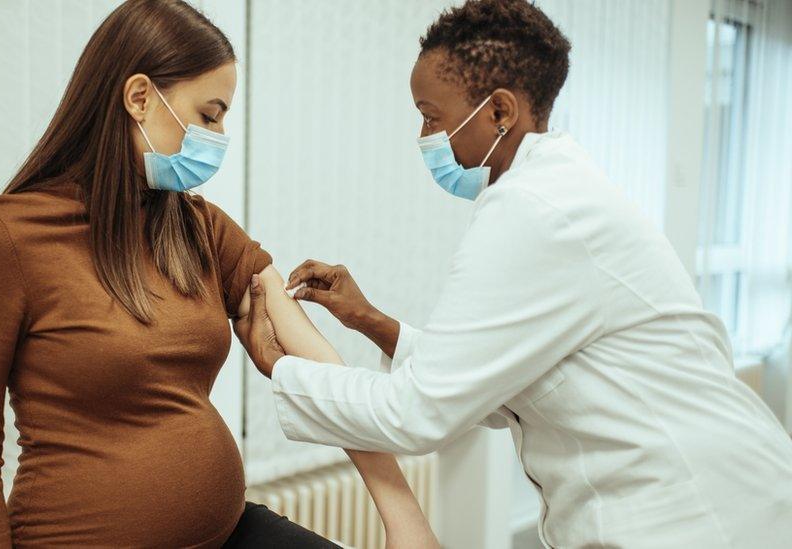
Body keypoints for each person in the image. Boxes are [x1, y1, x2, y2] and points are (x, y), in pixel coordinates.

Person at [237, 1, 792, 548]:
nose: (424, 137)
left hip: (695, 514)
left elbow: (418, 413)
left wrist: (277, 366)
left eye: (432, 116)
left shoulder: (534, 211)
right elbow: (496, 385)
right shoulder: (554, 194)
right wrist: (373, 322)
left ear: (500, 111)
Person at [0, 1, 437, 547]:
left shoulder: (196, 226)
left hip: (227, 531)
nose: (219, 135)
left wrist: (402, 516)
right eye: (209, 115)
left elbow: (318, 363)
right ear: (139, 97)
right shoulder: (8, 240)